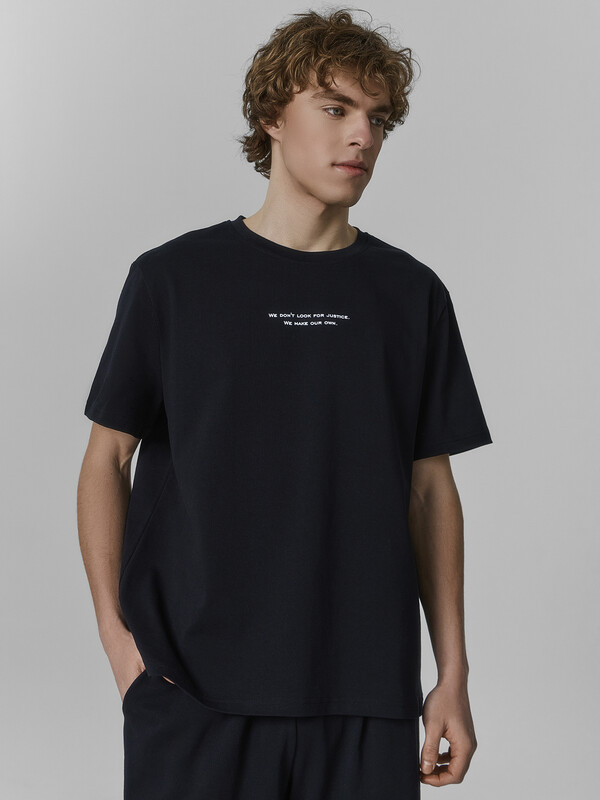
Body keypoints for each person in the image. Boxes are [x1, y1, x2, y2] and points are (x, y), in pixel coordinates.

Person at [77, 8, 493, 799]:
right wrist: (119, 647)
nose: (362, 136)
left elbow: (431, 489)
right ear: (272, 115)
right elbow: (106, 458)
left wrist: (452, 675)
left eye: (378, 119)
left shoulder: (410, 295)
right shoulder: (173, 281)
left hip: (366, 698)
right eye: (335, 109)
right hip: (192, 694)